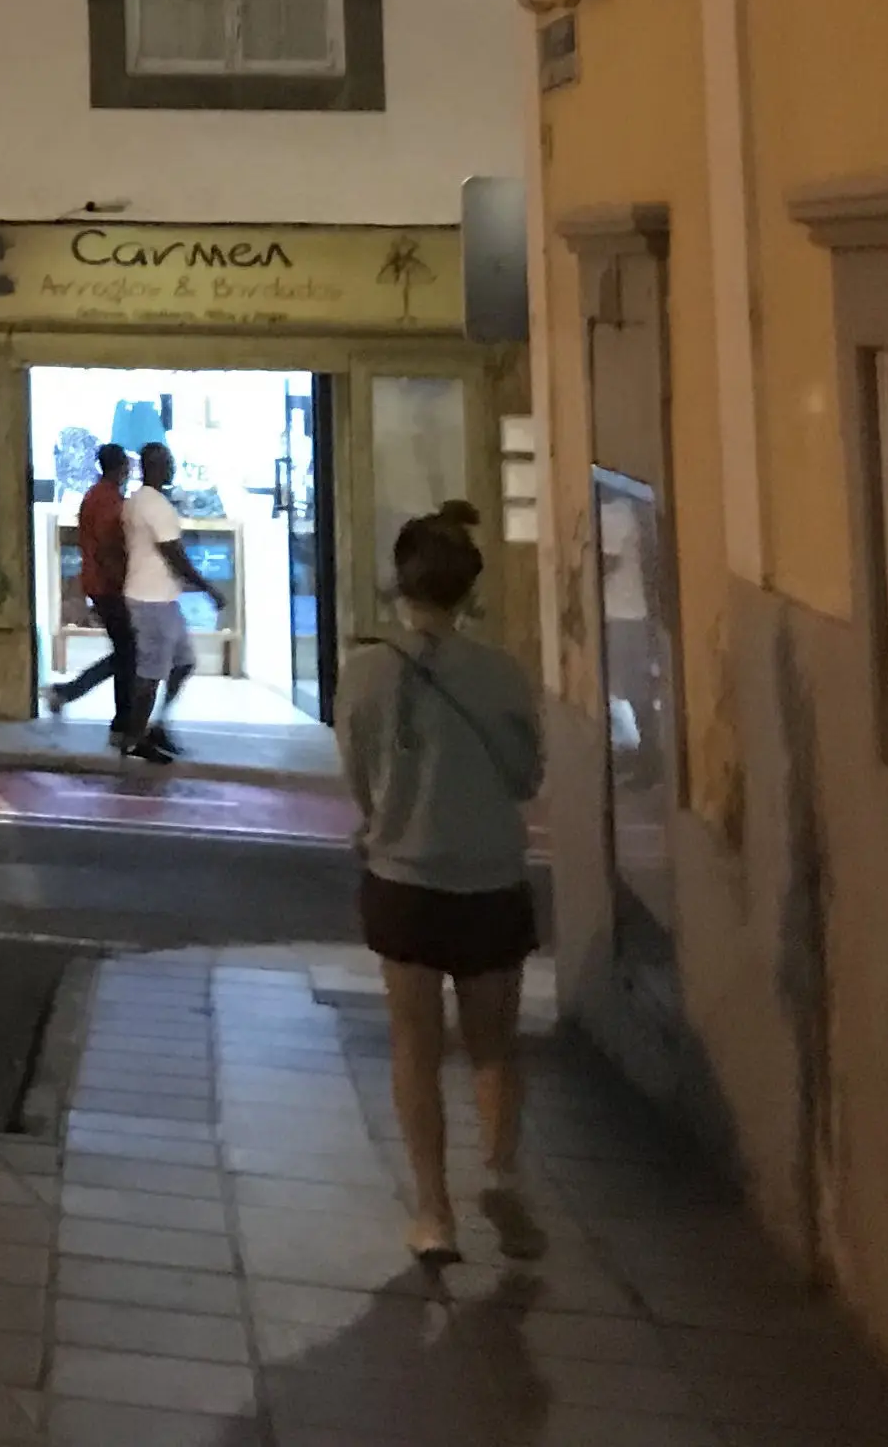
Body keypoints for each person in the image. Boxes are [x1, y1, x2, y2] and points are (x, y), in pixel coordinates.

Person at [338, 500, 545, 1267]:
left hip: (405, 879)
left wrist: (390, 812)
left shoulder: (364, 672)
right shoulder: (502, 675)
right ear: (468, 589)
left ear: (402, 582)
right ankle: (501, 1171)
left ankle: (433, 1212)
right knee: (493, 1046)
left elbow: (358, 777)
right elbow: (527, 777)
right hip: (490, 878)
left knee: (413, 1047)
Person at [119, 439, 221, 764]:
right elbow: (174, 554)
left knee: (183, 662)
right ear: (155, 467)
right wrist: (208, 588)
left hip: (161, 597)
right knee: (150, 673)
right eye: (168, 462)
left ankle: (156, 724)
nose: (173, 467)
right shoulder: (154, 506)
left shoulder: (137, 501)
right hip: (151, 601)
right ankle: (135, 739)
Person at [45, 444, 149, 749]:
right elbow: (107, 546)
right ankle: (116, 718)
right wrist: (122, 580)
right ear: (121, 468)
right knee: (127, 653)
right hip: (108, 586)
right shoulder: (106, 500)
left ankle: (77, 697)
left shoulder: (98, 495)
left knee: (126, 652)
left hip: (101, 584)